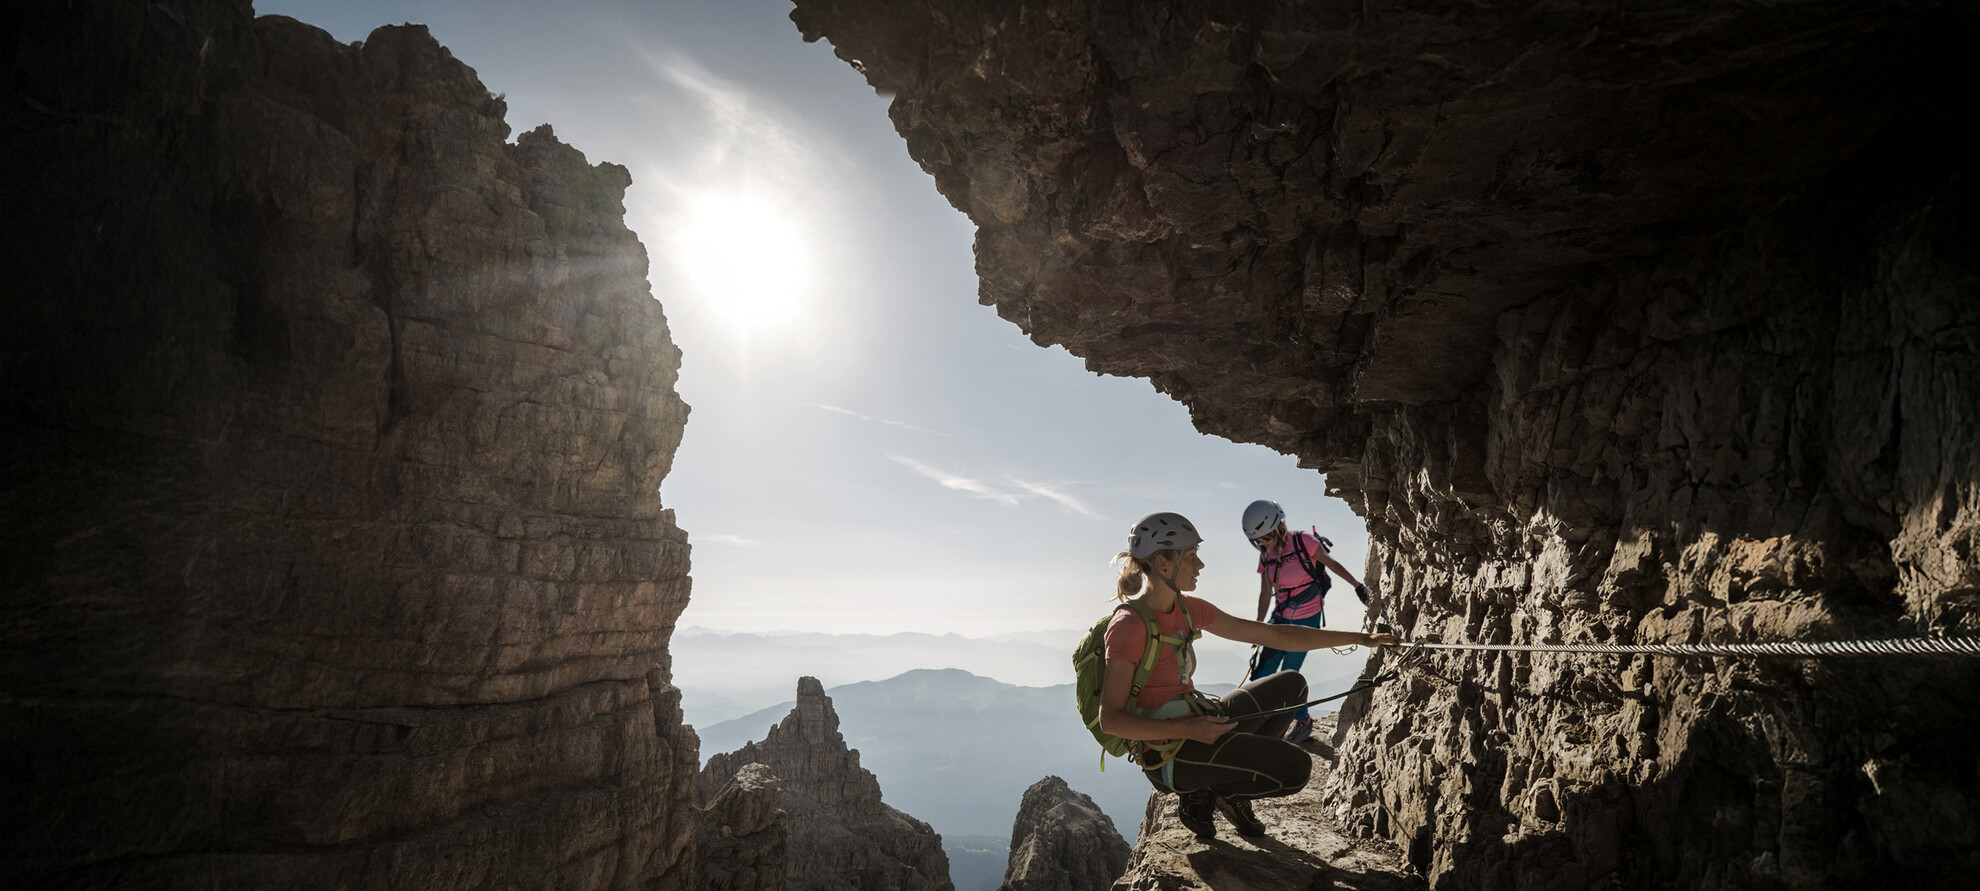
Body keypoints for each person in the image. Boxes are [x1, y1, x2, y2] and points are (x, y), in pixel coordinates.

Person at [1098, 512, 1398, 840]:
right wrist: (1189, 730)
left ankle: (1227, 791)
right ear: (1163, 563)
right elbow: (1111, 720)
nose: (1200, 565)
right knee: (1296, 769)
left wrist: (1360, 638)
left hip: (1198, 725)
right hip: (1168, 754)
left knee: (1292, 685)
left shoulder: (1187, 608)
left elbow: (1276, 635)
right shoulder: (1129, 626)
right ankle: (1203, 791)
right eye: (1191, 557)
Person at [1240, 499, 1374, 745]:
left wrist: (1358, 587)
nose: (1262, 544)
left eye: (1265, 538)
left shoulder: (1303, 541)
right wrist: (1257, 628)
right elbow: (1264, 593)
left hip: (1307, 618)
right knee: (1261, 673)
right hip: (1280, 618)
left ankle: (1303, 722)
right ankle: (1258, 723)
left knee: (1288, 674)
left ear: (1279, 527)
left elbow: (1332, 565)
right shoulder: (1266, 556)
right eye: (1257, 541)